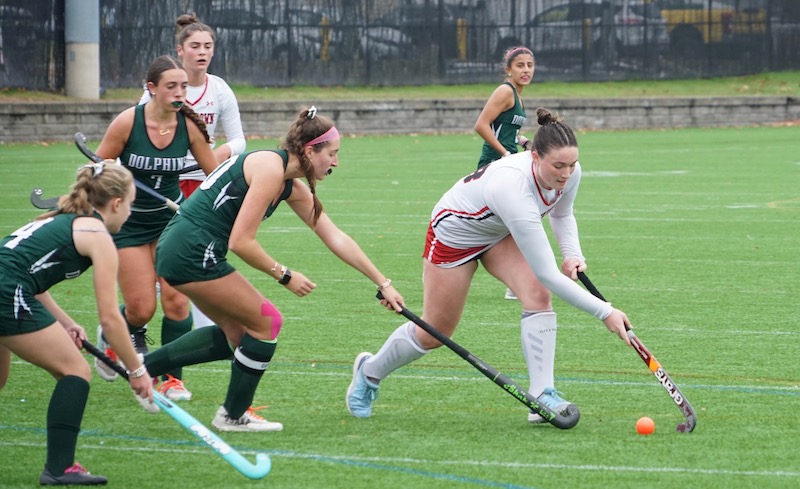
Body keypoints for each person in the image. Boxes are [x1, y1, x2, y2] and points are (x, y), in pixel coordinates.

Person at [346, 108, 632, 424]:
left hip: (497, 231)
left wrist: (572, 254)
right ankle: (369, 372)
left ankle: (542, 394)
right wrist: (605, 312)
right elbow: (547, 273)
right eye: (558, 166)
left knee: (537, 295)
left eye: (572, 165)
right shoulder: (513, 188)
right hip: (455, 235)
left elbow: (562, 214)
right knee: (435, 332)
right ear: (535, 157)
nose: (565, 174)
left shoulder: (569, 173)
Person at [135, 106, 405, 432]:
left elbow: (335, 236)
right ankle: (232, 415)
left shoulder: (289, 184)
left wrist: (383, 282)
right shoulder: (269, 169)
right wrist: (285, 275)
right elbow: (241, 242)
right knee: (268, 321)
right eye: (331, 154)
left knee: (238, 335)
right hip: (190, 251)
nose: (335, 162)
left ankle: (142, 368)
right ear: (309, 150)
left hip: (188, 249)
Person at [0, 161, 155, 486]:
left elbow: (34, 281)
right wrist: (136, 371)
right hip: (5, 290)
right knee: (75, 370)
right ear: (115, 203)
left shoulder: (65, 219)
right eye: (130, 204)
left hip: (11, 286)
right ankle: (60, 468)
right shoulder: (97, 235)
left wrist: (66, 322)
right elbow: (111, 319)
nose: (130, 212)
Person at [93, 55, 218, 402]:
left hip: (170, 222)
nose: (180, 92)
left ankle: (170, 378)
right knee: (141, 308)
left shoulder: (188, 127)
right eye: (171, 87)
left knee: (178, 303)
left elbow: (215, 176)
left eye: (183, 87)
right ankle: (112, 333)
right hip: (130, 224)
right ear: (152, 89)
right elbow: (97, 168)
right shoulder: (126, 123)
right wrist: (109, 175)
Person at [139, 13, 247, 332]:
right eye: (195, 46)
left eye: (208, 46)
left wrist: (216, 154)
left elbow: (239, 139)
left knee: (196, 255)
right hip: (164, 184)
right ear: (180, 50)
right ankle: (131, 321)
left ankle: (200, 321)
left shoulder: (220, 89)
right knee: (165, 272)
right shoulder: (163, 89)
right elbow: (137, 130)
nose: (202, 52)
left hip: (205, 183)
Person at [473, 46, 536, 301]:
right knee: (505, 221)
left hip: (509, 163)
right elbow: (481, 125)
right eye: (520, 65)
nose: (526, 70)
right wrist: (505, 153)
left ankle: (515, 283)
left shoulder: (518, 95)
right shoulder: (505, 91)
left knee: (514, 221)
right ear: (508, 69)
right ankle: (441, 259)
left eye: (530, 65)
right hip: (494, 164)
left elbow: (505, 129)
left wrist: (522, 141)